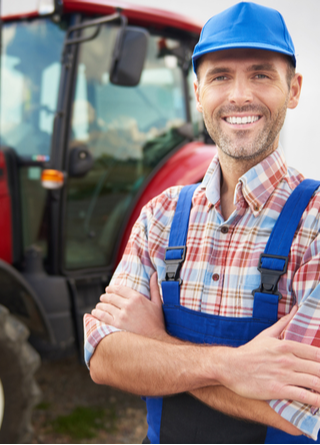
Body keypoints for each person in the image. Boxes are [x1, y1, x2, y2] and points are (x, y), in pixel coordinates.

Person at [84, 2, 320, 443]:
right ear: (198, 94)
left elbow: (306, 413)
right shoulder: (161, 215)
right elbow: (102, 358)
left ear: (294, 90)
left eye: (261, 74)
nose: (239, 95)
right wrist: (231, 368)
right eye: (220, 76)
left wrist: (155, 346)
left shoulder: (315, 225)